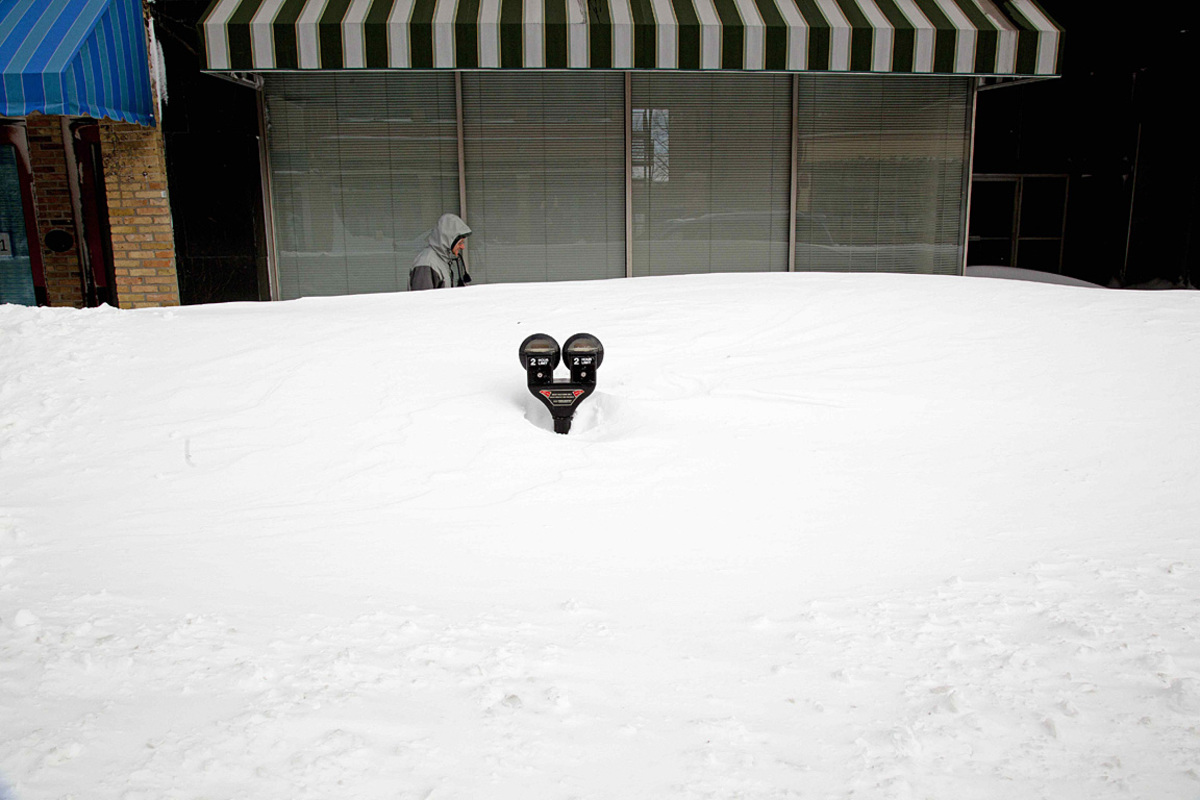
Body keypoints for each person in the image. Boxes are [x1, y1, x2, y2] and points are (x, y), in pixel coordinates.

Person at [409, 213, 472, 290]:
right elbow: (422, 300)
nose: (463, 247)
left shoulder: (444, 260)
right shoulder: (426, 264)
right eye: (460, 243)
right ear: (448, 241)